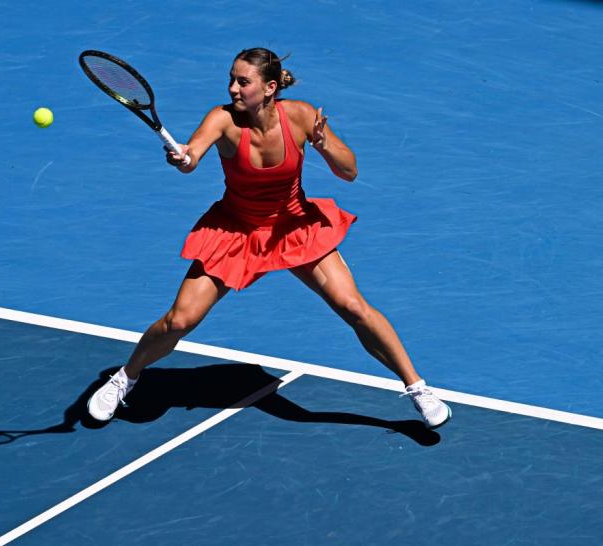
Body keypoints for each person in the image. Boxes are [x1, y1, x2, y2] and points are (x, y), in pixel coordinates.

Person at [87, 48, 451, 429]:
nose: (233, 89)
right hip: (236, 231)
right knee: (180, 321)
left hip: (295, 228)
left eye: (243, 82)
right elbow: (192, 157)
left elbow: (350, 172)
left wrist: (324, 145)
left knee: (353, 306)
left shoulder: (300, 116)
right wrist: (184, 158)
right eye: (231, 79)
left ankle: (417, 388)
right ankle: (125, 377)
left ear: (270, 87)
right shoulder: (222, 119)